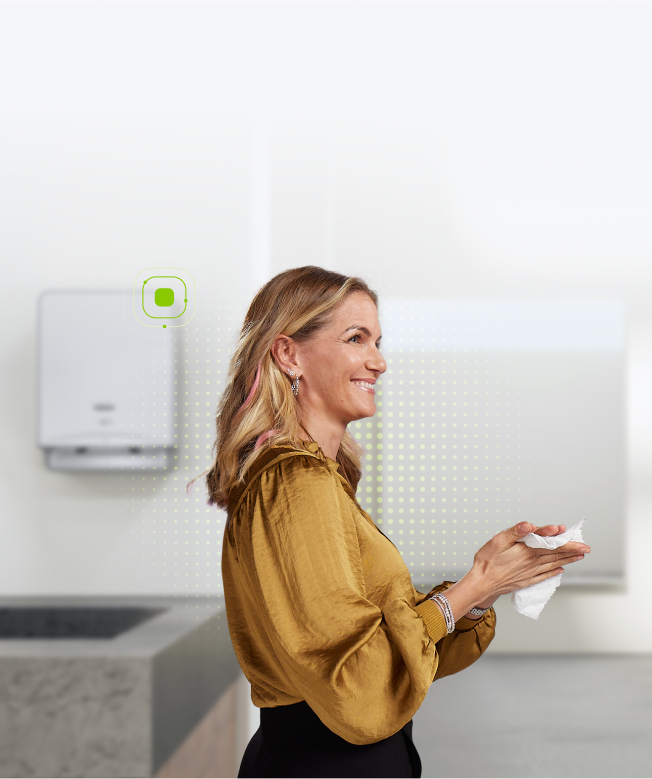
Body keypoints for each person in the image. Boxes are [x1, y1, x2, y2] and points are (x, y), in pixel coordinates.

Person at [188, 266, 591, 779]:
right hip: (329, 763)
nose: (378, 362)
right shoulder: (297, 481)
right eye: (356, 339)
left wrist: (485, 587)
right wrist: (471, 588)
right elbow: (358, 682)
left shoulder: (313, 480)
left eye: (378, 341)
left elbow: (398, 661)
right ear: (289, 354)